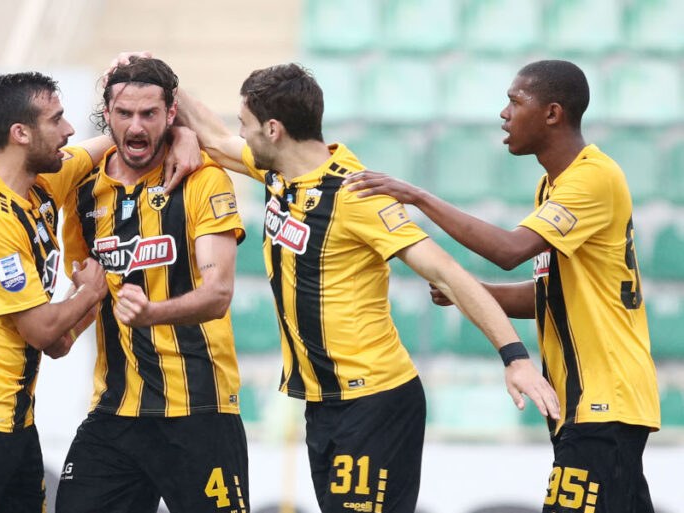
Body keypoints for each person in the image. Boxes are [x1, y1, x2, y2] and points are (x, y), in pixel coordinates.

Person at [174, 62, 560, 513]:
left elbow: (447, 274)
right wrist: (164, 83)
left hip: (374, 401)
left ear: (273, 130)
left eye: (246, 124)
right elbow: (215, 140)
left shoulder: (354, 194)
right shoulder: (279, 173)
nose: (241, 134)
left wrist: (515, 358)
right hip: (324, 403)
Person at [344, 60, 660, 513]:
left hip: (605, 400)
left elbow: (510, 250)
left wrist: (418, 197)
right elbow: (551, 296)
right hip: (590, 403)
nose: (504, 113)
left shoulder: (593, 177)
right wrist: (474, 293)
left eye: (515, 101)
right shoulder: (553, 186)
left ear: (552, 113)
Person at [0, 71, 202, 513]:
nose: (68, 130)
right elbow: (41, 331)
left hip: (14, 421)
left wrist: (180, 135)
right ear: (21, 133)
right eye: (56, 119)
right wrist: (90, 293)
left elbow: (114, 143)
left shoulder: (40, 184)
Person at [54, 57, 250, 513]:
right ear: (107, 114)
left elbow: (219, 294)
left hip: (199, 408)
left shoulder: (203, 179)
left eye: (149, 114)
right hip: (115, 410)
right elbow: (89, 286)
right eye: (125, 114)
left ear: (171, 114)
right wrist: (64, 329)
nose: (136, 126)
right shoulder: (84, 192)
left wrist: (152, 313)